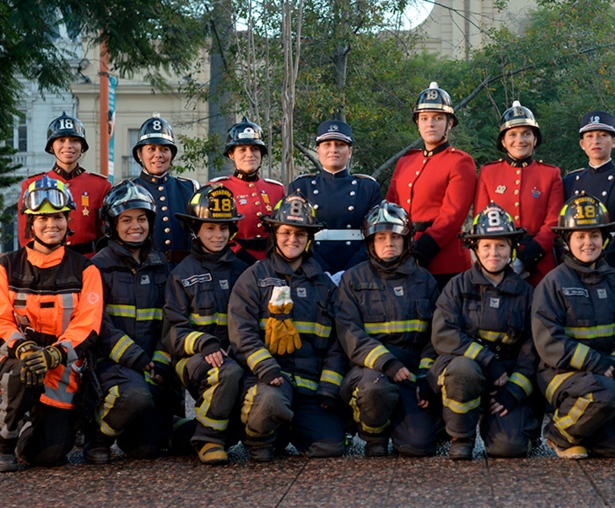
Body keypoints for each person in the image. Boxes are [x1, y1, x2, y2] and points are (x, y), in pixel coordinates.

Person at [228, 194, 347, 462]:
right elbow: (241, 333)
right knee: (269, 408)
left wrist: (329, 385)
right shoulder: (254, 278)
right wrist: (265, 368)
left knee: (331, 446)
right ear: (274, 233)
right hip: (266, 379)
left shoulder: (324, 285)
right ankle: (257, 436)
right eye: (285, 232)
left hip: (309, 384)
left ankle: (288, 427)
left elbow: (338, 341)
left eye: (300, 234)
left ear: (309, 239)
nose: (292, 240)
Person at [532, 194, 615, 459]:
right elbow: (549, 340)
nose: (588, 243)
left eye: (594, 235)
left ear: (604, 239)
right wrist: (597, 363)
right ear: (567, 241)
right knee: (606, 395)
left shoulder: (614, 280)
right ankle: (559, 434)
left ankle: (586, 431)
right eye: (580, 236)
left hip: (608, 375)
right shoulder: (554, 283)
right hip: (562, 374)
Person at [0, 177, 103, 472]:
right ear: (30, 224)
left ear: (68, 220)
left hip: (61, 372)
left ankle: (29, 426)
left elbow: (88, 325)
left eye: (57, 217)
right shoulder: (7, 266)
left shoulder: (86, 270)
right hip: (14, 364)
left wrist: (54, 355)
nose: (51, 224)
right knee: (19, 374)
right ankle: (4, 444)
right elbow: (2, 318)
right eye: (42, 218)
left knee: (49, 455)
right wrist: (22, 348)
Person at [430, 204, 541, 459]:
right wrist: (487, 361)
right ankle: (461, 436)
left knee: (509, 448)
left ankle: (512, 427)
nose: (494, 253)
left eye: (501, 245)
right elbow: (444, 334)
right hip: (467, 372)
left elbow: (532, 349)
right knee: (462, 369)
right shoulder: (456, 287)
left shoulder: (527, 294)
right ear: (475, 249)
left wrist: (514, 392)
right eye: (486, 246)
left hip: (507, 381)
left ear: (512, 249)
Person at [84, 181, 181, 464]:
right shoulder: (97, 267)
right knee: (136, 395)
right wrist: (136, 358)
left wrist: (161, 361)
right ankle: (97, 437)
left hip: (153, 365)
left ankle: (130, 430)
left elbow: (171, 317)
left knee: (146, 448)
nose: (135, 226)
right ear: (113, 225)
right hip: (112, 364)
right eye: (126, 220)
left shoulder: (161, 265)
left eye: (141, 219)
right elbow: (97, 324)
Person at [336, 201, 441, 457]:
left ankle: (406, 426)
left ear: (407, 240)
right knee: (376, 389)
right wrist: (386, 363)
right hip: (370, 371)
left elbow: (436, 335)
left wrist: (426, 376)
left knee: (419, 446)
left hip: (411, 374)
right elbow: (350, 333)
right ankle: (374, 434)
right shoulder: (353, 279)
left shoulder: (424, 280)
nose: (388, 243)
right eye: (381, 237)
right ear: (371, 242)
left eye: (395, 236)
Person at [163, 185, 248, 465]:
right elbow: (172, 331)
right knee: (229, 373)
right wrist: (204, 343)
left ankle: (183, 432)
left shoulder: (243, 271)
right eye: (210, 228)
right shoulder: (182, 274)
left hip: (234, 357)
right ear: (195, 229)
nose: (218, 235)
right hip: (192, 358)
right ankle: (208, 441)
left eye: (224, 228)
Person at [386, 82, 477, 289]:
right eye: (424, 118)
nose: (430, 124)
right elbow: (390, 206)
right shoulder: (406, 161)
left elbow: (452, 217)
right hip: (402, 255)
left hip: (443, 263)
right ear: (417, 123)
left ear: (450, 123)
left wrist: (419, 251)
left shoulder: (460, 161)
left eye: (438, 118)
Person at [475, 101, 563, 286]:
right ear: (503, 141)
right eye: (512, 134)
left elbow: (553, 223)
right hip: (497, 260)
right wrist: (498, 258)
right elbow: (480, 220)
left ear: (535, 139)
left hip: (540, 263)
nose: (520, 140)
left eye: (526, 134)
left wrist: (525, 260)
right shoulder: (488, 173)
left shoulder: (550, 174)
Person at [563, 111, 615, 307]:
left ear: (614, 141)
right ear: (582, 144)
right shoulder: (570, 182)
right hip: (577, 270)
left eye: (603, 135)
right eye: (589, 136)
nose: (595, 141)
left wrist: (598, 265)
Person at [288, 120, 383, 283]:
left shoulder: (368, 188)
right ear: (318, 151)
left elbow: (375, 237)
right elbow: (293, 234)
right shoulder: (300, 187)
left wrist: (349, 272)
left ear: (350, 151)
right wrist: (320, 271)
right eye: (327, 145)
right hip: (312, 268)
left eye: (340, 144)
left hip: (357, 270)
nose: (333, 150)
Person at [19, 112, 111, 257]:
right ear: (51, 146)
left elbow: (104, 235)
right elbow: (26, 236)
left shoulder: (100, 186)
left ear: (82, 146)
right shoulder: (32, 184)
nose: (68, 146)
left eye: (74, 140)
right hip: (46, 263)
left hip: (88, 262)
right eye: (61, 140)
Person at [212, 117, 286, 263]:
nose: (249, 154)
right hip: (233, 261)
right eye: (242, 149)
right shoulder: (218, 189)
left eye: (254, 149)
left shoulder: (277, 189)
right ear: (231, 154)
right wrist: (244, 259)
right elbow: (215, 233)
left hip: (273, 262)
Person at [129, 114, 199, 264]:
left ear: (171, 154)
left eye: (164, 149)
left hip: (183, 271)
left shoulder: (189, 188)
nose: (158, 155)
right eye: (151, 149)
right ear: (139, 154)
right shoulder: (128, 190)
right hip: (144, 272)